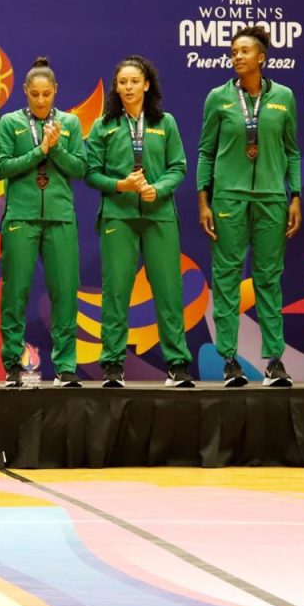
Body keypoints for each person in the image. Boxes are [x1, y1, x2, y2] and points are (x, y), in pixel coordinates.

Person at [196, 26, 302, 388]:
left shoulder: (284, 97)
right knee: (226, 280)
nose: (237, 56)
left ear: (262, 57)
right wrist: (203, 199)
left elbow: (292, 151)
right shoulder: (218, 98)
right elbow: (205, 151)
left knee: (269, 279)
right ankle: (229, 361)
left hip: (272, 199)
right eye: (233, 52)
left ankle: (274, 361)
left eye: (244, 51)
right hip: (229, 199)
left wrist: (296, 195)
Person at [85, 55, 191, 389]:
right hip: (118, 216)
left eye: (134, 81)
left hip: (159, 216)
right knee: (116, 292)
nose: (128, 87)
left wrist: (157, 189)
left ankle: (177, 365)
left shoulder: (166, 123)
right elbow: (90, 173)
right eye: (122, 82)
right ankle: (113, 366)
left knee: (169, 292)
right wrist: (121, 185)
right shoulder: (104, 125)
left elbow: (179, 167)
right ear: (116, 88)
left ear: (146, 84)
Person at [0, 58, 84, 388]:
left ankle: (66, 366)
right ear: (25, 92)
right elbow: (1, 167)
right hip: (21, 217)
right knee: (15, 294)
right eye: (35, 94)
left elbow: (81, 169)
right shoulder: (10, 123)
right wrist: (39, 150)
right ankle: (13, 366)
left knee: (64, 294)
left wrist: (55, 150)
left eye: (47, 94)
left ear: (55, 91)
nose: (41, 101)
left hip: (60, 218)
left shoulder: (70, 123)